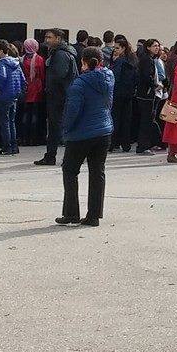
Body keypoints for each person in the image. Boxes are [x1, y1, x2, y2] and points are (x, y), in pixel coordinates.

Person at [56, 47, 114, 227]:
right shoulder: (109, 78)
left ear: (83, 62)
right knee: (97, 172)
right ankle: (94, 215)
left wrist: (65, 128)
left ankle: (71, 213)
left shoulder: (79, 84)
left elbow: (73, 110)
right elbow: (109, 103)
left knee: (70, 170)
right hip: (103, 130)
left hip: (81, 133)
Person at [36, 30, 78, 166]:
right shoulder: (60, 52)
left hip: (59, 97)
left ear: (58, 38)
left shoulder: (60, 54)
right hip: (61, 96)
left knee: (56, 127)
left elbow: (59, 75)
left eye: (49, 37)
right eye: (46, 37)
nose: (46, 40)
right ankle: (52, 156)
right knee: (59, 127)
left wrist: (51, 89)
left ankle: (53, 156)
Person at [0, 39, 24, 156]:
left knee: (4, 122)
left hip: (3, 96)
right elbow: (22, 79)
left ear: (0, 51)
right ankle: (14, 146)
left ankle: (6, 147)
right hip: (14, 95)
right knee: (11, 122)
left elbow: (1, 77)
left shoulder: (1, 63)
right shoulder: (16, 62)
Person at [133, 38, 162, 157]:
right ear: (148, 47)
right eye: (154, 46)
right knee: (146, 121)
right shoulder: (147, 60)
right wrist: (155, 85)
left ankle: (147, 144)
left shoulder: (150, 59)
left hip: (146, 94)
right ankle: (143, 146)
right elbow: (146, 76)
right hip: (146, 94)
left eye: (158, 46)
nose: (157, 48)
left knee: (148, 120)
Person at [110, 40, 138, 152]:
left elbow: (114, 77)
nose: (115, 50)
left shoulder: (120, 61)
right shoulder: (132, 60)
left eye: (117, 48)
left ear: (123, 48)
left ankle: (112, 143)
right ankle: (126, 144)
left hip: (118, 93)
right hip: (128, 93)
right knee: (126, 119)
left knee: (115, 118)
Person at [20, 39, 45, 147]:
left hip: (26, 87)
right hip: (36, 87)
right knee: (35, 114)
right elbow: (42, 75)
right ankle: (34, 139)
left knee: (25, 114)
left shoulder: (22, 59)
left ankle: (24, 138)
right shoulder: (39, 59)